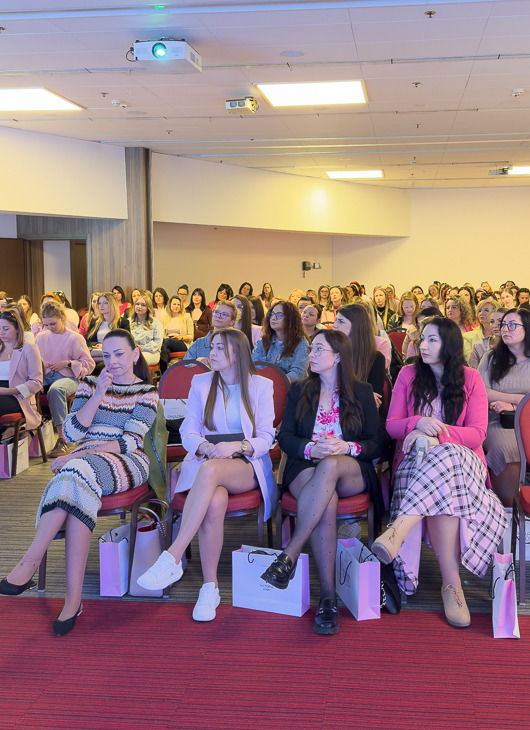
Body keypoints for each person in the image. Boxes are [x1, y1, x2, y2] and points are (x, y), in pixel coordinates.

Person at [0, 329, 158, 636]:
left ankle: (31, 562)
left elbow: (129, 441)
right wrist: (98, 395)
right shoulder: (89, 384)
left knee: (74, 471)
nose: (112, 361)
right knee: (77, 487)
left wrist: (80, 455)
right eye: (107, 355)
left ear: (135, 354)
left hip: (127, 461)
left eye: (119, 354)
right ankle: (72, 601)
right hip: (83, 463)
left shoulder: (147, 391)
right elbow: (71, 434)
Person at [374, 316, 507, 628]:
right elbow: (392, 426)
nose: (423, 345)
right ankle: (452, 584)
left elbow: (477, 434)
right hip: (415, 463)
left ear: (449, 344)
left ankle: (398, 530)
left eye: (432, 339)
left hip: (464, 463)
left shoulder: (470, 378)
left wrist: (438, 436)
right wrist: (417, 422)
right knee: (442, 484)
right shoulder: (408, 374)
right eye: (422, 339)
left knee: (445, 458)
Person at [137, 328, 276, 621]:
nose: (212, 353)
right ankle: (210, 587)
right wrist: (205, 447)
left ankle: (173, 555)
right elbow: (188, 430)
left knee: (211, 471)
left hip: (245, 464)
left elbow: (266, 437)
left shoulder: (261, 386)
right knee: (214, 501)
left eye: (219, 348)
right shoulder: (201, 382)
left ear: (237, 352)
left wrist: (237, 446)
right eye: (212, 347)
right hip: (207, 460)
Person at [260, 330, 381, 635]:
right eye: (311, 349)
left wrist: (346, 446)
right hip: (305, 466)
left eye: (318, 349)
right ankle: (328, 597)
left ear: (337, 356)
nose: (310, 355)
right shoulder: (300, 389)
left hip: (349, 467)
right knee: (326, 502)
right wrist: (309, 449)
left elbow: (376, 443)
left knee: (330, 465)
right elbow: (286, 437)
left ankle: (290, 555)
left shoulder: (362, 391)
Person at [478, 308, 530, 506]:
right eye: (503, 325)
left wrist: (515, 405)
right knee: (506, 448)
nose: (505, 329)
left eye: (512, 325)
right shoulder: (491, 358)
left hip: (527, 420)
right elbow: (481, 392)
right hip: (498, 420)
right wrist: (519, 399)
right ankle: (508, 511)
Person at [35, 300, 95, 457]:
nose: (50, 328)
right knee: (25, 389)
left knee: (56, 390)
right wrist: (36, 381)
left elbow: (89, 364)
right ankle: (27, 436)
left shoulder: (74, 338)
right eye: (46, 325)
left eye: (53, 324)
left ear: (62, 317)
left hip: (69, 376)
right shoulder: (40, 337)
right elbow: (34, 363)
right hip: (46, 376)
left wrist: (68, 363)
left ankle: (62, 439)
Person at [333, 304, 386, 409]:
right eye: (336, 320)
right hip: (333, 410)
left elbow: (374, 402)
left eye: (340, 321)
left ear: (356, 326)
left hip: (359, 414)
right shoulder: (333, 352)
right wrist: (362, 394)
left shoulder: (376, 358)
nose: (334, 325)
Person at [0, 308, 42, 431]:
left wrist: (8, 391)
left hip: (18, 397)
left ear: (18, 329)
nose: (1, 332)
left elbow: (36, 382)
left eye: (6, 329)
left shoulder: (29, 348)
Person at [252, 300, 309, 382]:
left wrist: (278, 383)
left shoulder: (301, 342)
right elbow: (255, 366)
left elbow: (298, 372)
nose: (273, 318)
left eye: (279, 315)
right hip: (264, 385)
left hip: (291, 386)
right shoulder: (262, 342)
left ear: (290, 319)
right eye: (272, 314)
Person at [85, 292, 130, 365]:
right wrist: (97, 344)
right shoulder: (95, 321)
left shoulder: (123, 322)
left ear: (112, 304)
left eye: (105, 303)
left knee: (100, 365)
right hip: (96, 353)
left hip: (113, 354)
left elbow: (126, 342)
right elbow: (86, 340)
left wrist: (105, 346)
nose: (101, 306)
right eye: (99, 303)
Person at [129, 292, 164, 366]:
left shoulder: (156, 322)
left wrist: (142, 348)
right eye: (137, 304)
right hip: (132, 352)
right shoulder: (128, 321)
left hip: (151, 352)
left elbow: (157, 343)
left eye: (143, 305)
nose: (139, 306)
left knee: (135, 360)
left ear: (148, 308)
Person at [464, 298, 498, 364]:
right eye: (479, 311)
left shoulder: (502, 335)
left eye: (486, 310)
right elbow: (470, 361)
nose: (481, 313)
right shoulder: (468, 337)